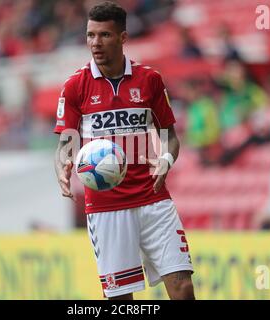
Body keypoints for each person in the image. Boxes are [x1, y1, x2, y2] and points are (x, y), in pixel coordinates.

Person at [53, 2, 195, 300]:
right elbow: (66, 143)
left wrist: (166, 159)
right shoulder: (75, 86)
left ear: (123, 38)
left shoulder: (149, 80)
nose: (95, 43)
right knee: (121, 300)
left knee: (182, 286)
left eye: (104, 35)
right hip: (107, 207)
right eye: (90, 35)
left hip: (153, 198)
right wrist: (63, 166)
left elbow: (170, 136)